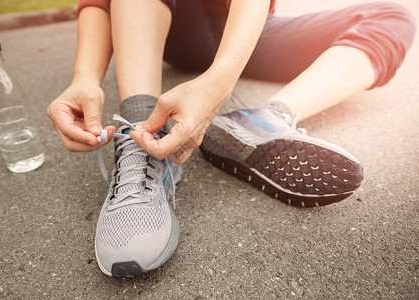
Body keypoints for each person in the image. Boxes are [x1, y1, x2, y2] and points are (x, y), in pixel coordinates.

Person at [47, 0, 415, 278]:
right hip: (168, 21)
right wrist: (85, 76)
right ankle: (142, 129)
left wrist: (219, 82)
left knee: (391, 18)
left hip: (243, 28)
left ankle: (267, 118)